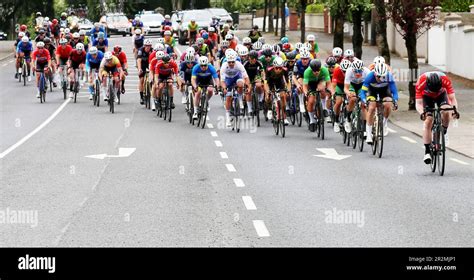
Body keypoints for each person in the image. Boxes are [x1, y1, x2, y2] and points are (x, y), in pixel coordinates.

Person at [415, 71, 459, 164]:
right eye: (433, 90)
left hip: (441, 95)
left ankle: (444, 130)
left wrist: (454, 111)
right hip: (427, 97)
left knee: (446, 111)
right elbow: (418, 103)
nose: (434, 91)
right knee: (428, 120)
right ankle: (427, 151)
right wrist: (422, 113)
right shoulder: (421, 82)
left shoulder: (445, 80)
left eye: (436, 89)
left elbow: (452, 99)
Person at [359, 63, 399, 144]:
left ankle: (383, 123)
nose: (380, 78)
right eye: (378, 76)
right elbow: (362, 92)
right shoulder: (370, 76)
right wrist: (364, 100)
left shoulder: (389, 76)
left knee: (388, 104)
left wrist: (395, 101)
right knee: (371, 107)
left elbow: (395, 92)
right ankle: (369, 134)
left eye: (383, 76)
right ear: (375, 74)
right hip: (372, 91)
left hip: (384, 91)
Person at [220, 51, 250, 127]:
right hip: (228, 79)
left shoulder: (239, 65)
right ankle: (227, 117)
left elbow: (246, 77)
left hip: (237, 77)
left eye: (233, 62)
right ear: (227, 61)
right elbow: (222, 81)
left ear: (235, 61)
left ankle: (239, 100)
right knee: (228, 97)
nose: (231, 64)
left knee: (240, 84)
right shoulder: (224, 66)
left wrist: (248, 86)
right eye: (229, 62)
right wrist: (224, 88)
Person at [302, 59, 334, 132]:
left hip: (320, 80)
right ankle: (312, 120)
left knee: (322, 89)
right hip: (311, 83)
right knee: (311, 100)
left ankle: (324, 107)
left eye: (318, 70)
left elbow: (329, 84)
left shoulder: (324, 70)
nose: (316, 72)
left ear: (320, 68)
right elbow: (305, 86)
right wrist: (307, 93)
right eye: (314, 71)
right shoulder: (307, 72)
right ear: (311, 69)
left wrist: (331, 92)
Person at [343, 59, 371, 133]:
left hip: (362, 85)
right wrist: (348, 93)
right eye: (355, 71)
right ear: (352, 70)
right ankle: (348, 119)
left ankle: (364, 127)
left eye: (360, 71)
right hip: (352, 85)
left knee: (363, 104)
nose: (358, 74)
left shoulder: (367, 72)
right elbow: (345, 88)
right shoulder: (349, 71)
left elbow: (370, 87)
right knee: (352, 98)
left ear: (363, 69)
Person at [265, 57, 290, 125]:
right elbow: (265, 82)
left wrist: (288, 90)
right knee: (268, 96)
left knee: (283, 96)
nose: (278, 70)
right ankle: (270, 109)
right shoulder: (268, 70)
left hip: (279, 83)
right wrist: (268, 91)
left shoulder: (285, 70)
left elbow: (287, 82)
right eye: (276, 68)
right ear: (273, 67)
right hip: (270, 83)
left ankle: (284, 118)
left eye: (280, 68)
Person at [331, 59, 351, 132]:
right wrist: (333, 93)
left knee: (351, 100)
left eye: (347, 71)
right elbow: (333, 85)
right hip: (339, 85)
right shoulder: (337, 70)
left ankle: (349, 117)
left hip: (349, 85)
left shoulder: (352, 71)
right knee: (339, 101)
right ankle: (336, 121)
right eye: (344, 71)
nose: (345, 73)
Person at [137, 39, 153, 105]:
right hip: (142, 64)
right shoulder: (141, 50)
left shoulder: (152, 50)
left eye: (149, 46)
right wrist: (139, 69)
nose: (148, 47)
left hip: (149, 64)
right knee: (141, 79)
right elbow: (139, 60)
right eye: (146, 46)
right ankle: (141, 97)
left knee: (152, 79)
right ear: (144, 46)